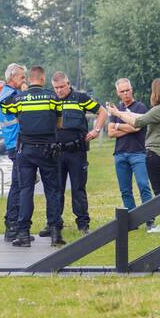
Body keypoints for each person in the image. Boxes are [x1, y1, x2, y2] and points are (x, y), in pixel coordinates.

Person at [0, 66, 65, 248]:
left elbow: (6, 108)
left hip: (25, 150)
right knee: (52, 191)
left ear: (29, 78)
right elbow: (59, 122)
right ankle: (55, 233)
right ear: (43, 79)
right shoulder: (53, 97)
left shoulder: (19, 98)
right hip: (48, 150)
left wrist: (20, 93)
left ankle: (23, 234)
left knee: (25, 191)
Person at [106, 78, 160, 232]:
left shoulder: (158, 109)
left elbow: (137, 123)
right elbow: (127, 124)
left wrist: (117, 115)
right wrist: (125, 116)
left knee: (158, 191)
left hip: (156, 153)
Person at [43, 71, 108, 237]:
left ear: (68, 84)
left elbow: (103, 112)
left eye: (62, 87)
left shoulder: (81, 98)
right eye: (56, 87)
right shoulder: (50, 99)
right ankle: (54, 224)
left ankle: (83, 224)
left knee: (78, 188)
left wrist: (96, 130)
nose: (59, 90)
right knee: (56, 189)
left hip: (76, 152)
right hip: (57, 151)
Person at [108, 78, 153, 230]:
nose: (125, 93)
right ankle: (133, 221)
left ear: (131, 89)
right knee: (125, 190)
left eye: (127, 90)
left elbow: (137, 128)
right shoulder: (116, 108)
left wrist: (118, 125)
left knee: (143, 185)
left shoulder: (140, 107)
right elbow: (110, 132)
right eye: (122, 91)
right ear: (117, 92)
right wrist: (126, 126)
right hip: (120, 154)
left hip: (138, 153)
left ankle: (149, 218)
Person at [0, 63, 25, 242]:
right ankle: (12, 225)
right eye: (22, 77)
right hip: (16, 144)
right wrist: (26, 91)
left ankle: (14, 223)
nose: (24, 80)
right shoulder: (10, 95)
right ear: (11, 78)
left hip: (17, 143)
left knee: (20, 184)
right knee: (18, 185)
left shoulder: (9, 93)